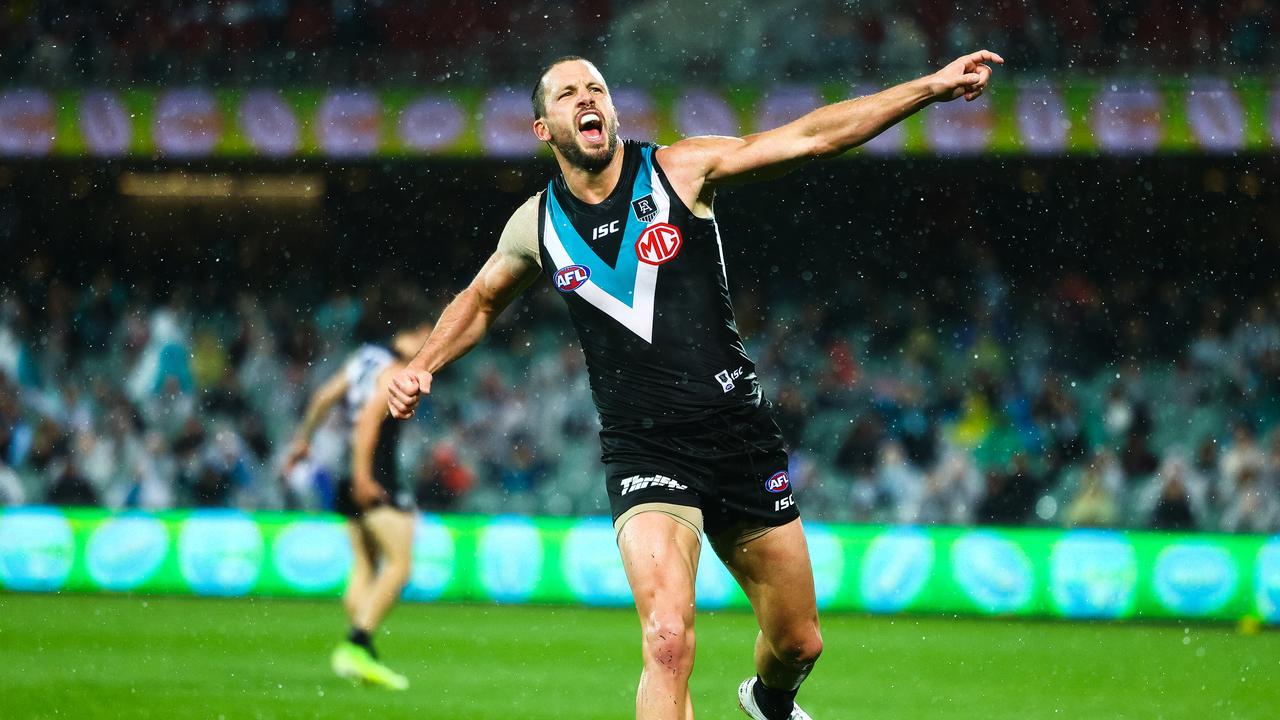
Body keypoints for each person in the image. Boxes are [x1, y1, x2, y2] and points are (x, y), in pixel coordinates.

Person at [387, 52, 1002, 720]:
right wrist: (425, 363)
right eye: (568, 93)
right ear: (544, 128)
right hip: (645, 451)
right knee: (668, 640)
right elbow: (479, 301)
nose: (587, 98)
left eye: (596, 87)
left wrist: (929, 89)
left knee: (799, 641)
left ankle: (769, 701)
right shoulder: (536, 225)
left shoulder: (679, 169)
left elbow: (812, 136)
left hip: (738, 437)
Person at [284, 324, 431, 690]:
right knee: (400, 565)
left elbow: (322, 396)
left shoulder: (364, 359)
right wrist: (365, 476)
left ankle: (362, 656)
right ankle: (357, 645)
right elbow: (369, 420)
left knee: (365, 566)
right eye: (426, 336)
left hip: (346, 476)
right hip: (375, 475)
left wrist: (304, 440)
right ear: (411, 333)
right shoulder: (394, 370)